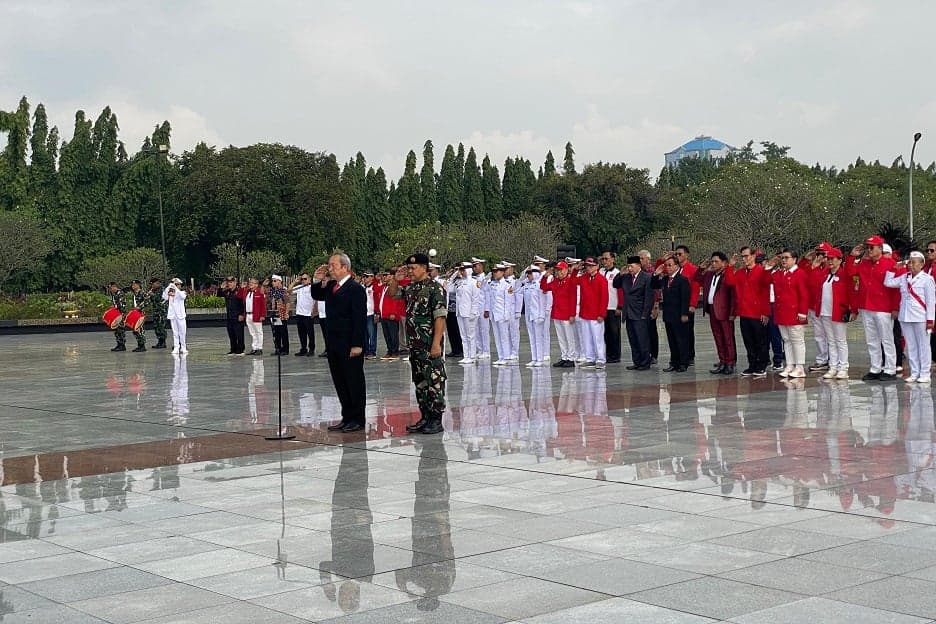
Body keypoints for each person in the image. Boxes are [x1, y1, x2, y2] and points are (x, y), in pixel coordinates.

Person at [387, 253, 448, 434]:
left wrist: (436, 343)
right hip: (415, 346)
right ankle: (425, 417)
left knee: (434, 382)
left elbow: (440, 317)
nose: (410, 272)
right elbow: (392, 294)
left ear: (424, 268)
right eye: (409, 268)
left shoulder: (435, 289)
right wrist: (396, 280)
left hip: (430, 345)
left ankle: (436, 420)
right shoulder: (411, 288)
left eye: (413, 268)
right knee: (420, 383)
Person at [311, 254, 368, 432]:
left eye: (333, 265)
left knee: (353, 381)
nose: (330, 268)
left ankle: (357, 418)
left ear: (345, 267)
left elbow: (359, 319)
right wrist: (317, 280)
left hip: (350, 343)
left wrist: (357, 344)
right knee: (340, 380)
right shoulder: (332, 287)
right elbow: (317, 294)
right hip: (334, 342)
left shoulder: (355, 289)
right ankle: (347, 416)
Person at [852, 235, 900, 381]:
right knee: (871, 339)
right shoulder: (864, 264)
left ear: (880, 248)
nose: (869, 250)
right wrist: (852, 256)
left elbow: (896, 288)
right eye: (868, 247)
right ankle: (875, 367)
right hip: (867, 306)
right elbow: (850, 273)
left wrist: (895, 307)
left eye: (872, 247)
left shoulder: (890, 263)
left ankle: (890, 369)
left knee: (886, 339)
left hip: (883, 307)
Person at [885, 251, 935, 383]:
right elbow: (888, 283)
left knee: (924, 345)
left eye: (914, 262)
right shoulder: (904, 277)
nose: (910, 265)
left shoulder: (927, 279)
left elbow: (931, 301)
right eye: (909, 262)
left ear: (922, 264)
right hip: (905, 316)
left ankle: (925, 373)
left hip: (921, 316)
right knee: (911, 346)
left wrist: (930, 320)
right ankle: (915, 372)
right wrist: (893, 269)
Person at [815, 248, 857, 379]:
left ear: (839, 260)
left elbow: (852, 292)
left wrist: (853, 310)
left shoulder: (844, 274)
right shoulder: (825, 274)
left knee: (840, 340)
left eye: (833, 259)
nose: (830, 261)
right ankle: (833, 366)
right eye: (828, 259)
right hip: (825, 311)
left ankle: (843, 367)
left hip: (838, 311)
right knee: (831, 341)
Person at [729, 247, 770, 377]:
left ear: (753, 256)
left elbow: (766, 292)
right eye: (743, 256)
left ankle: (762, 365)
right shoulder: (741, 272)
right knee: (748, 341)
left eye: (747, 256)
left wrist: (765, 312)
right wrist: (730, 266)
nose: (745, 259)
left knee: (760, 341)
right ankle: (752, 364)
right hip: (744, 312)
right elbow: (729, 282)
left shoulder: (761, 271)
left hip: (758, 313)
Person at [695, 252, 737, 375]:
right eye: (712, 261)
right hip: (713, 310)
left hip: (724, 310)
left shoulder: (727, 275)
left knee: (727, 338)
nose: (713, 264)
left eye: (716, 261)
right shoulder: (709, 275)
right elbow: (697, 278)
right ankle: (722, 361)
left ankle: (730, 362)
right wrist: (701, 268)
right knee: (718, 337)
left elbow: (733, 295)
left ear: (724, 263)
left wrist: (732, 312)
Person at [771, 249, 810, 378]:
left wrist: (802, 312)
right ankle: (790, 364)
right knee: (787, 340)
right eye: (782, 258)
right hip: (782, 312)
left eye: (786, 258)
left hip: (794, 312)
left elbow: (804, 295)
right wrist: (769, 266)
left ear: (794, 259)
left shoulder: (800, 273)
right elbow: (768, 279)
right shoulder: (780, 273)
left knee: (797, 340)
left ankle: (799, 366)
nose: (783, 260)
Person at [652, 256, 691, 372]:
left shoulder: (682, 280)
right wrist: (656, 274)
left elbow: (685, 298)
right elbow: (653, 285)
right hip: (669, 315)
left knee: (681, 340)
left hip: (679, 315)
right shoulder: (664, 279)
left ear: (676, 266)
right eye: (666, 265)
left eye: (670, 265)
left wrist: (684, 313)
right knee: (672, 340)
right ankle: (674, 362)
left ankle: (683, 363)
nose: (667, 267)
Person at [614, 256, 653, 370]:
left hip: (640, 313)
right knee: (633, 339)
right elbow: (616, 284)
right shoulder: (626, 277)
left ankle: (645, 362)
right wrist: (620, 274)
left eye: (632, 266)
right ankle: (637, 361)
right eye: (628, 266)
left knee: (642, 339)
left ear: (639, 265)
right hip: (628, 313)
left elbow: (649, 297)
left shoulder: (646, 277)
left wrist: (645, 313)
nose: (629, 269)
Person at [541, 261, 578, 368]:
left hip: (566, 313)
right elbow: (544, 287)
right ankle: (564, 356)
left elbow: (573, 299)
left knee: (569, 337)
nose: (559, 272)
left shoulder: (570, 281)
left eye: (561, 269)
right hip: (557, 312)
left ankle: (571, 358)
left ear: (566, 270)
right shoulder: (556, 281)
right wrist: (545, 277)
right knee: (561, 337)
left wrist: (572, 314)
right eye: (557, 270)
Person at [575, 257, 609, 369]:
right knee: (587, 337)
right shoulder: (584, 277)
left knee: (597, 338)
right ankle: (590, 359)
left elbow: (604, 298)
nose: (588, 268)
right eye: (587, 266)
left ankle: (600, 359)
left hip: (596, 314)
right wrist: (576, 270)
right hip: (585, 312)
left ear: (597, 266)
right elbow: (572, 282)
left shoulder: (601, 279)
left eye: (591, 265)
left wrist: (602, 314)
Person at [515, 266, 548, 367]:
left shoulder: (539, 285)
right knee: (532, 338)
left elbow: (543, 301)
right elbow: (516, 289)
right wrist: (522, 276)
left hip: (538, 315)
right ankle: (534, 358)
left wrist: (542, 315)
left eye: (530, 273)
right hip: (529, 316)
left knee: (538, 338)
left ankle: (540, 359)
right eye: (527, 273)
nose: (528, 275)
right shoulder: (526, 285)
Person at [674, 245, 700, 365]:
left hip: (687, 305)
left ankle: (690, 355)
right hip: (676, 305)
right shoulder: (674, 268)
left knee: (688, 331)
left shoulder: (692, 269)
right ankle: (679, 354)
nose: (678, 256)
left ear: (686, 255)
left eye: (680, 254)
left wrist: (693, 304)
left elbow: (695, 288)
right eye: (676, 254)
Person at [454, 262, 482, 364]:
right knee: (463, 335)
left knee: (471, 335)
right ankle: (466, 355)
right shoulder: (459, 282)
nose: (461, 272)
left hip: (469, 312)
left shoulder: (474, 282)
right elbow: (448, 287)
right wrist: (455, 274)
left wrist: (473, 312)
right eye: (461, 270)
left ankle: (472, 355)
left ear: (468, 270)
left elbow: (476, 299)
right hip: (460, 312)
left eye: (463, 270)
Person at [488, 264, 514, 365]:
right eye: (494, 271)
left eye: (497, 271)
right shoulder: (492, 284)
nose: (495, 273)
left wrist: (506, 315)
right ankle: (501, 356)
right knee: (497, 336)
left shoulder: (507, 285)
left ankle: (506, 356)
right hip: (494, 314)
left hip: (502, 314)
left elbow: (508, 302)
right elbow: (483, 287)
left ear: (503, 272)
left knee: (504, 336)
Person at [599, 251, 622, 363]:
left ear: (613, 259)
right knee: (605, 332)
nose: (605, 261)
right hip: (603, 307)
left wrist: (620, 306)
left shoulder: (618, 273)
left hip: (613, 306)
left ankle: (615, 355)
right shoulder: (600, 271)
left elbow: (620, 291)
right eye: (603, 259)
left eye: (607, 259)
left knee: (614, 332)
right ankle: (607, 354)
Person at [378, 269, 405, 360]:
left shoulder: (395, 287)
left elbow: (396, 302)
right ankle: (389, 351)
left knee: (393, 334)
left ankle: (395, 352)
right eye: (384, 275)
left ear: (392, 276)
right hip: (383, 314)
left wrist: (394, 313)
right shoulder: (384, 287)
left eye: (387, 275)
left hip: (391, 315)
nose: (384, 277)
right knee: (387, 334)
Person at [639, 250, 661, 364]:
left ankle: (654, 354)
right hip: (640, 305)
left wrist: (656, 306)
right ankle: (645, 353)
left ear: (648, 259)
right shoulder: (638, 272)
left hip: (651, 305)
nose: (640, 260)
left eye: (642, 258)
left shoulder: (652, 271)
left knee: (651, 330)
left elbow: (656, 290)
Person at [290, 272, 316, 357]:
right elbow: (289, 291)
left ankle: (311, 349)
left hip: (308, 314)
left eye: (305, 279)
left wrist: (314, 311)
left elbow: (316, 300)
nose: (303, 281)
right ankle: (303, 348)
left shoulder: (312, 288)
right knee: (301, 333)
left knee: (310, 333)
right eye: (302, 279)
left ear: (309, 279)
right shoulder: (299, 287)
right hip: (299, 313)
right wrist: (295, 282)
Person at [471, 257, 492, 360]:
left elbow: (488, 294)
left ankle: (486, 351)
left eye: (476, 266)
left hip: (483, 307)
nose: (474, 268)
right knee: (477, 330)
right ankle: (480, 350)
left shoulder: (486, 279)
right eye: (473, 266)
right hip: (476, 307)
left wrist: (487, 309)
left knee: (484, 330)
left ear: (481, 266)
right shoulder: (473, 279)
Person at [220, 276, 246, 355]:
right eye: (228, 282)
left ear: (235, 283)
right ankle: (233, 349)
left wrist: (242, 314)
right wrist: (221, 287)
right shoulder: (227, 291)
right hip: (230, 316)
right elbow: (219, 294)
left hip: (238, 316)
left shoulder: (239, 291)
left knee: (239, 334)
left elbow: (243, 303)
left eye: (231, 282)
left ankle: (240, 349)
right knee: (231, 334)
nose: (229, 284)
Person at [163, 277, 188, 355]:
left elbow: (182, 296)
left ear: (180, 285)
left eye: (177, 284)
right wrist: (169, 287)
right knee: (175, 332)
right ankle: (176, 347)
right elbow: (164, 296)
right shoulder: (170, 293)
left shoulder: (182, 292)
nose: (176, 286)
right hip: (173, 315)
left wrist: (175, 288)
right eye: (175, 284)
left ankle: (183, 347)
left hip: (180, 315)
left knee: (182, 332)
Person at [243, 277, 266, 355]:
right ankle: (254, 347)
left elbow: (263, 305)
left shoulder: (259, 292)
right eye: (250, 283)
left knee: (259, 332)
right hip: (248, 314)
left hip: (256, 314)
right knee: (252, 332)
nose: (250, 284)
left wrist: (262, 315)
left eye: (252, 283)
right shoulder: (247, 292)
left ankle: (259, 348)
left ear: (256, 284)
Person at [268, 274, 290, 355]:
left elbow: (287, 302)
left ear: (279, 281)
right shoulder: (273, 291)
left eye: (275, 281)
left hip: (281, 314)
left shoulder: (283, 290)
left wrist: (287, 313)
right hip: (275, 314)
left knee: (283, 332)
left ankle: (285, 349)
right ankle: (278, 348)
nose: (273, 283)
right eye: (272, 281)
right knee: (276, 332)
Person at [147, 278, 168, 349]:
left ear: (157, 283)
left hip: (161, 312)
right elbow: (152, 300)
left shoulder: (162, 290)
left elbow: (160, 299)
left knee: (161, 326)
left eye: (153, 284)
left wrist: (152, 294)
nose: (152, 286)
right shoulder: (154, 290)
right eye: (151, 284)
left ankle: (163, 342)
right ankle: (159, 341)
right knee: (156, 327)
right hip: (156, 311)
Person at [127, 280, 148, 352]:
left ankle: (142, 345)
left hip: (140, 313)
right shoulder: (134, 294)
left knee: (140, 329)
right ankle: (139, 344)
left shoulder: (142, 292)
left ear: (138, 285)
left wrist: (140, 307)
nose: (133, 286)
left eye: (135, 284)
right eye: (132, 285)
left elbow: (147, 301)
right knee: (135, 329)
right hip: (135, 313)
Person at [108, 282, 128, 352]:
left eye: (111, 288)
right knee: (116, 330)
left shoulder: (120, 293)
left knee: (120, 329)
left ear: (114, 287)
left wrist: (114, 307)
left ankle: (122, 345)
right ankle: (119, 344)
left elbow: (122, 304)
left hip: (121, 314)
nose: (110, 290)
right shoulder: (114, 295)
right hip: (116, 314)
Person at [362, 272, 378, 359]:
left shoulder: (374, 287)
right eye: (364, 277)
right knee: (364, 334)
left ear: (372, 277)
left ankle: (372, 351)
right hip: (363, 313)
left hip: (371, 313)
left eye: (367, 277)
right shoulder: (362, 287)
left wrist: (376, 312)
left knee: (372, 333)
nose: (365, 278)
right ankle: (366, 350)